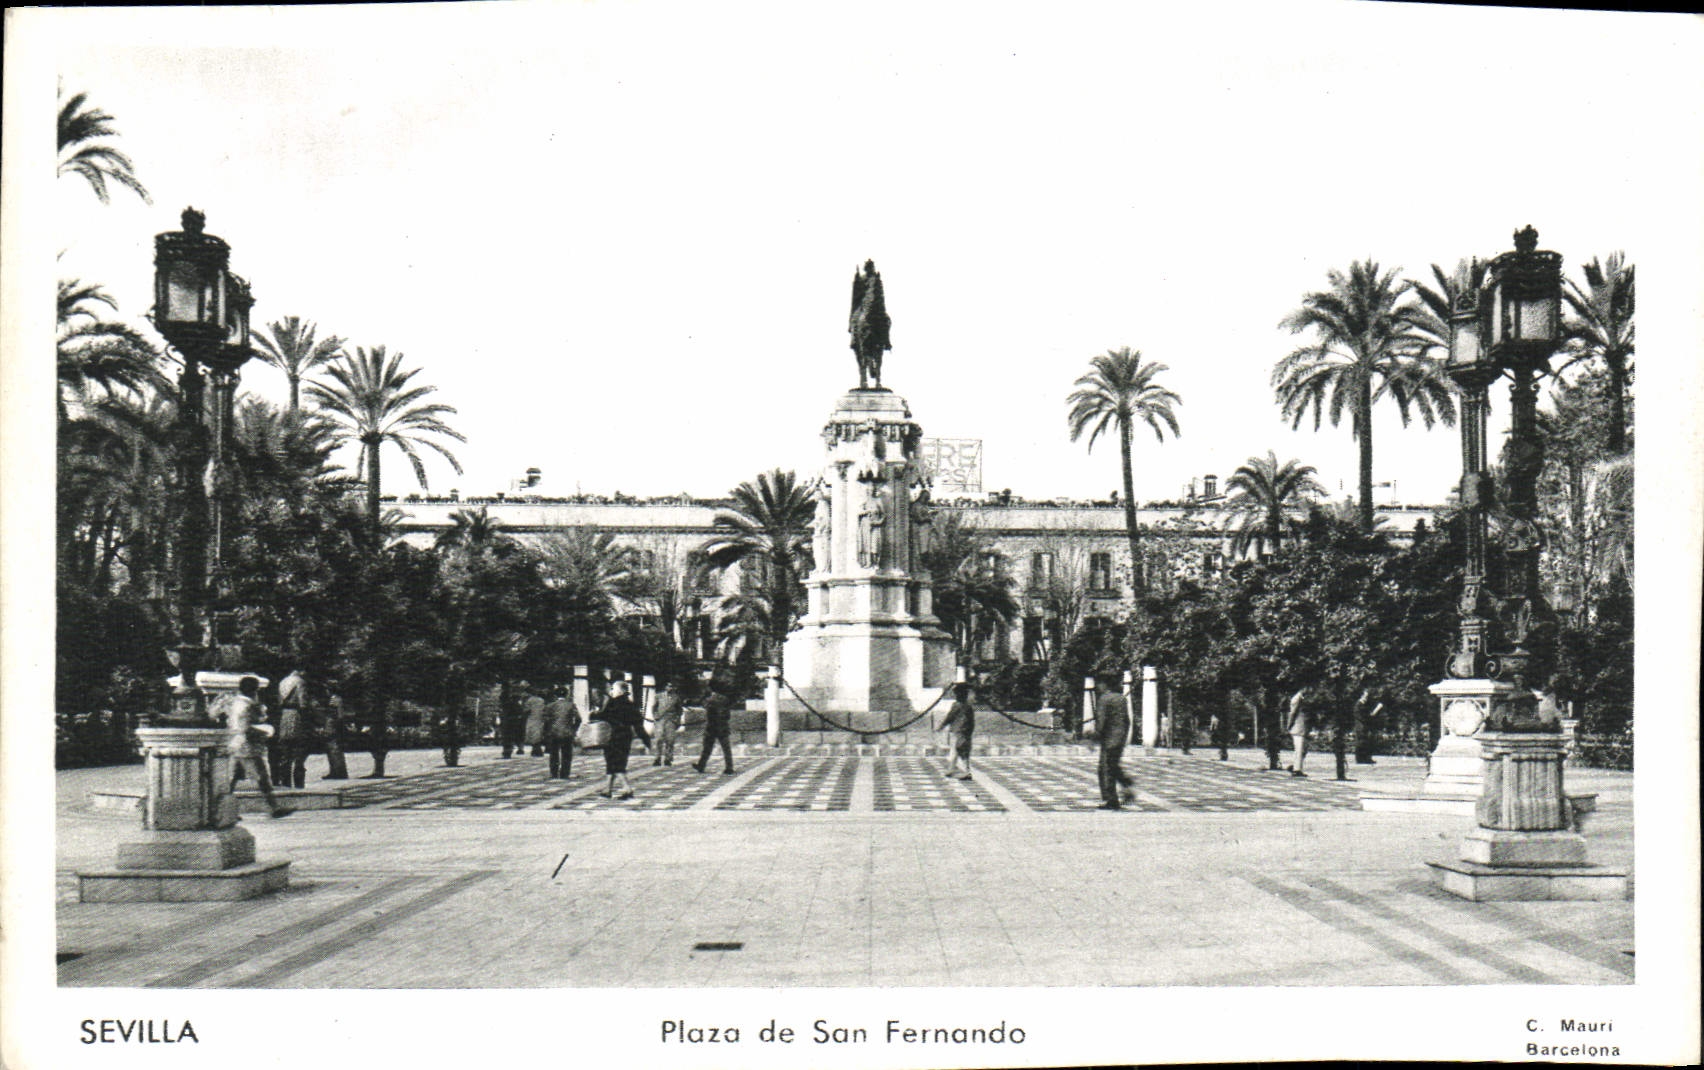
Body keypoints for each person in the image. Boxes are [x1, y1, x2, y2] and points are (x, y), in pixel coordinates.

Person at [225, 676, 290, 818]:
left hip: (235, 743)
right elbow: (245, 727)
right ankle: (274, 807)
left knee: (231, 779)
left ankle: (223, 810)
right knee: (261, 778)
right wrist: (265, 730)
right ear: (254, 690)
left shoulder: (235, 702)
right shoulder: (247, 705)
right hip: (247, 746)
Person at [593, 680, 650, 798]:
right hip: (626, 737)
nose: (611, 691)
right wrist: (646, 740)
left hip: (612, 737)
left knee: (614, 763)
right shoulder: (631, 704)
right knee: (616, 762)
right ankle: (607, 789)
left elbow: (603, 717)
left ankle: (627, 788)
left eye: (613, 689)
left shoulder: (612, 703)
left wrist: (594, 714)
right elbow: (638, 724)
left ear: (620, 690)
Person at [1095, 677, 1132, 810]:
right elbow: (1127, 720)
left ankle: (1110, 799)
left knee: (1105, 769)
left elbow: (1101, 721)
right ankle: (1126, 785)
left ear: (1104, 684)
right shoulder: (1122, 699)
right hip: (1120, 737)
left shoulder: (1104, 699)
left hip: (1109, 738)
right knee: (1112, 766)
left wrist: (1095, 736)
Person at [272, 666, 311, 789]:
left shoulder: (283, 681)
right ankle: (299, 784)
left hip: (284, 717)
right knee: (299, 753)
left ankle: (285, 783)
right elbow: (303, 702)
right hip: (296, 716)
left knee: (285, 753)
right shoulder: (300, 682)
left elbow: (279, 701)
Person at [693, 681, 736, 775]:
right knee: (726, 748)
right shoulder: (725, 699)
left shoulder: (710, 699)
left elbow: (703, 705)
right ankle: (729, 767)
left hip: (712, 727)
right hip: (723, 726)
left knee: (707, 748)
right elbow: (728, 715)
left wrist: (703, 698)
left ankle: (701, 765)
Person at [939, 683, 975, 779]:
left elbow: (950, 717)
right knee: (956, 750)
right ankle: (951, 769)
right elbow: (972, 721)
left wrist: (942, 725)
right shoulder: (968, 706)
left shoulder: (956, 705)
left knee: (961, 750)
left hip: (959, 731)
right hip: (964, 731)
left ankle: (967, 771)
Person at [544, 685, 580, 780]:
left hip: (554, 732)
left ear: (555, 695)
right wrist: (573, 728)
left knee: (554, 753)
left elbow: (546, 720)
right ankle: (564, 773)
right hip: (567, 732)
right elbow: (578, 719)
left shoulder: (550, 706)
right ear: (567, 695)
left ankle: (554, 773)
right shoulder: (571, 705)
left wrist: (548, 730)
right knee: (567, 754)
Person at [652, 681, 683, 767]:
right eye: (669, 686)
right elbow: (654, 707)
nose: (670, 688)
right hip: (660, 720)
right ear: (665, 687)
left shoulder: (676, 698)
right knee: (659, 739)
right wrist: (656, 716)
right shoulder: (658, 696)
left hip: (671, 720)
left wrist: (677, 720)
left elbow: (679, 710)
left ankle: (668, 759)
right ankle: (657, 758)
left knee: (670, 740)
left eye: (672, 686)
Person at [1353, 687, 1384, 765]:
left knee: (1366, 742)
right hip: (1361, 727)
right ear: (1361, 696)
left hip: (1364, 726)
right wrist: (1376, 710)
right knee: (1361, 742)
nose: (1366, 698)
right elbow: (1363, 717)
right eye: (1365, 696)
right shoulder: (1359, 705)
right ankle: (1361, 759)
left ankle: (1365, 758)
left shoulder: (1363, 705)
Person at [1287, 687, 1312, 777]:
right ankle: (1296, 769)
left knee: (1302, 749)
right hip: (1298, 727)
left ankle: (1296, 767)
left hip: (1302, 727)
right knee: (1299, 749)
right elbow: (1292, 713)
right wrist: (1289, 725)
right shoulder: (1297, 699)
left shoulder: (1301, 698)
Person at [522, 683, 548, 757]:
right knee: (538, 733)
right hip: (540, 718)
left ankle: (535, 749)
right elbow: (544, 709)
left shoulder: (529, 700)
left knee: (532, 733)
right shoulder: (541, 700)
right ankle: (537, 749)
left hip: (532, 718)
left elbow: (526, 710)